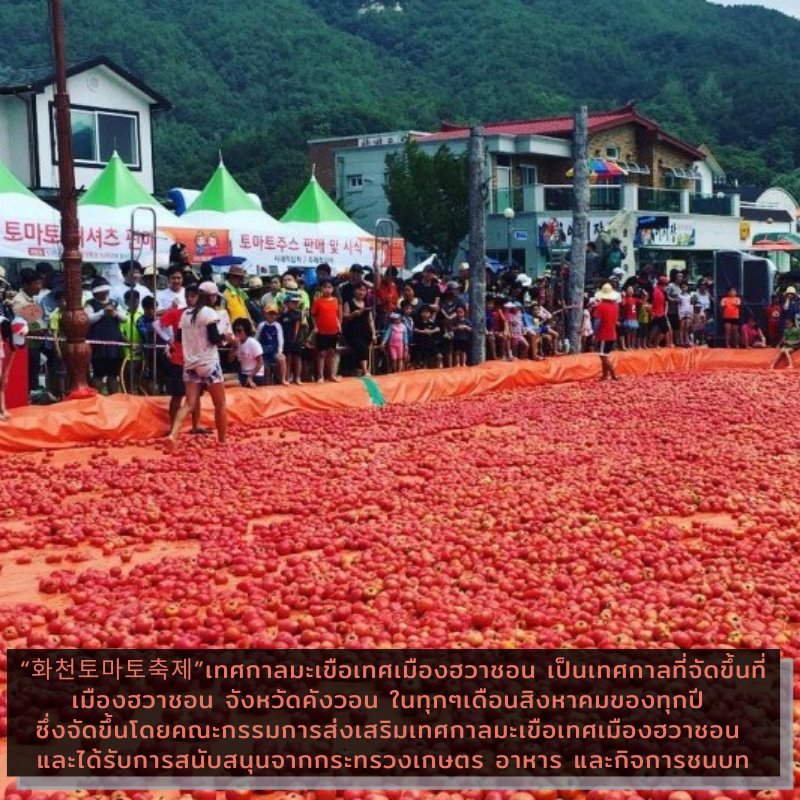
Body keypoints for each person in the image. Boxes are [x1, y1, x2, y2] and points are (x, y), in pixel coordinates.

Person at [168, 281, 228, 446]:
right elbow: (214, 338)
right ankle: (222, 440)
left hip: (190, 364)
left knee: (188, 404)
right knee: (220, 404)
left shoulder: (185, 315)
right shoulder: (208, 312)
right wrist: (227, 338)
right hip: (208, 362)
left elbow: (179, 338)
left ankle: (173, 434)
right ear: (210, 297)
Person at [84, 280, 125, 394]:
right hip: (98, 343)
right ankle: (97, 398)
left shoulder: (114, 303)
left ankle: (113, 398)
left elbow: (124, 318)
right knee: (98, 373)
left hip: (114, 343)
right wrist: (102, 313)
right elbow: (88, 320)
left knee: (113, 374)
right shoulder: (90, 304)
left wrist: (115, 314)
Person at [310, 279, 341, 383]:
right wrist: (315, 327)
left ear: (332, 289)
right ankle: (320, 376)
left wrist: (339, 325)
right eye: (325, 287)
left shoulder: (336, 300)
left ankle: (331, 375)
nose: (327, 289)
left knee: (331, 353)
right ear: (321, 289)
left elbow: (337, 315)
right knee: (321, 353)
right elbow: (313, 315)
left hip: (333, 330)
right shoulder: (318, 301)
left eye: (329, 287)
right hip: (321, 331)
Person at [342, 281, 375, 377]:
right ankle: (365, 370)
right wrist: (353, 314)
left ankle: (359, 369)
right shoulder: (349, 303)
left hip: (365, 332)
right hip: (352, 332)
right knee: (361, 346)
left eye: (364, 290)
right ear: (354, 291)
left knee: (366, 343)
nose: (362, 292)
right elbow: (344, 317)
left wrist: (373, 333)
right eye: (359, 290)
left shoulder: (366, 303)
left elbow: (370, 321)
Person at [594, 283, 620, 381]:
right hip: (612, 334)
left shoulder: (600, 306)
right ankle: (604, 375)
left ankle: (613, 374)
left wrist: (594, 333)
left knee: (603, 356)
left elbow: (597, 322)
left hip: (603, 334)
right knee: (605, 354)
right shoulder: (615, 306)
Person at [257, 305, 288, 385]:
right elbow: (256, 338)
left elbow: (280, 339)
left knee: (282, 359)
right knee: (266, 369)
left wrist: (280, 351)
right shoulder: (261, 325)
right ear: (265, 314)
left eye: (273, 314)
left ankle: (283, 379)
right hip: (264, 351)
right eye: (269, 313)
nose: (271, 316)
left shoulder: (278, 326)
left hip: (274, 351)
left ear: (276, 316)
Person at [231, 318, 265, 387]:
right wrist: (234, 347)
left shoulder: (252, 343)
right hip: (243, 373)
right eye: (235, 331)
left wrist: (250, 377)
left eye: (239, 331)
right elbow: (230, 360)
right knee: (224, 378)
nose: (237, 333)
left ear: (246, 331)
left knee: (233, 382)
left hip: (256, 375)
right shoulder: (238, 344)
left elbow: (260, 362)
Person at [278, 293, 304, 384]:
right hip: (286, 340)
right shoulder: (282, 315)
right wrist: (283, 312)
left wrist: (295, 339)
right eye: (293, 302)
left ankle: (297, 378)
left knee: (297, 358)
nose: (295, 304)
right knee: (288, 359)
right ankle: (287, 378)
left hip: (296, 340)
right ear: (287, 303)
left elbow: (297, 326)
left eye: (297, 302)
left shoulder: (298, 313)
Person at [649, 275, 670, 348]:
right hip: (658, 313)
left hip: (658, 312)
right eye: (666, 284)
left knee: (656, 328)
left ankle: (651, 343)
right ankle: (655, 343)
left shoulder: (659, 291)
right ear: (663, 284)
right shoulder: (658, 292)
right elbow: (654, 303)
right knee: (664, 329)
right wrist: (653, 312)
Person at [0, 315, 14, 420]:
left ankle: (2, 408)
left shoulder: (4, 322)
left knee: (1, 382)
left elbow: (12, 348)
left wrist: (6, 373)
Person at [620, 285, 639, 351]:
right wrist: (623, 296)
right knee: (628, 333)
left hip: (634, 318)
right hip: (628, 317)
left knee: (634, 332)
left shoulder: (634, 299)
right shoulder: (625, 299)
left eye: (631, 290)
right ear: (626, 291)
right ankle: (628, 346)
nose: (630, 291)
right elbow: (622, 304)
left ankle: (632, 345)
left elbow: (642, 302)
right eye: (629, 289)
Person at [677, 281, 693, 348]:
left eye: (685, 287)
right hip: (682, 312)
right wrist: (679, 314)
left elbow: (691, 305)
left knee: (687, 327)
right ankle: (681, 341)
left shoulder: (689, 296)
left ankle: (686, 341)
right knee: (682, 327)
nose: (684, 288)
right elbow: (678, 305)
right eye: (683, 287)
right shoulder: (679, 296)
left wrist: (691, 313)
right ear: (681, 288)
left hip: (688, 312)